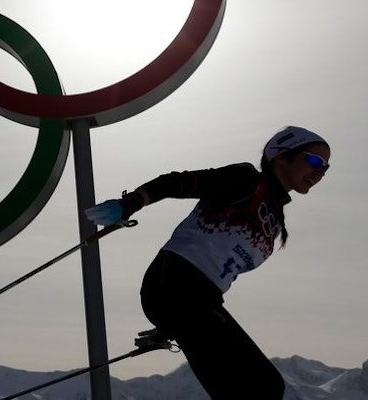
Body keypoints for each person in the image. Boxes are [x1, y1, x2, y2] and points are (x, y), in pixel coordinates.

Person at [85, 125, 331, 400]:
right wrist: (131, 202)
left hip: (198, 300)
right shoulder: (246, 180)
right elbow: (178, 182)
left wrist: (176, 323)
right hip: (177, 285)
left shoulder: (274, 217)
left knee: (265, 387)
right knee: (263, 386)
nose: (320, 171)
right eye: (314, 161)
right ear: (281, 156)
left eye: (326, 167)